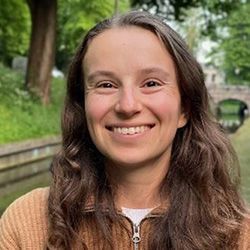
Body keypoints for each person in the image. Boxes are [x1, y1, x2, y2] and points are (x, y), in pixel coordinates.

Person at [0, 11, 249, 250]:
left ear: (184, 108)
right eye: (106, 84)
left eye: (151, 83)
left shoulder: (239, 233)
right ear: (83, 105)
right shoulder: (26, 223)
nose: (127, 106)